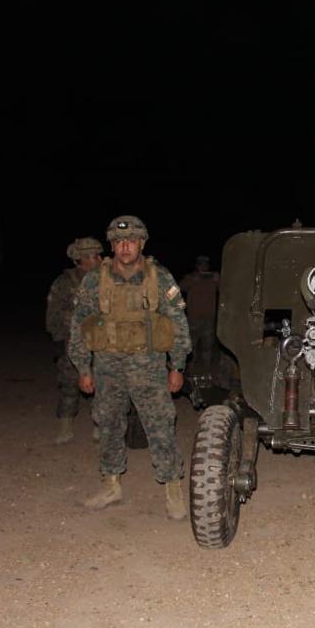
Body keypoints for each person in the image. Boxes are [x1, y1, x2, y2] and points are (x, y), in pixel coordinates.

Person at [67, 215, 192, 520]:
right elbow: (80, 326)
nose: (125, 247)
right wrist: (84, 367)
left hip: (148, 364)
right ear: (111, 245)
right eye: (119, 241)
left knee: (160, 425)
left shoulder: (159, 277)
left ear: (142, 244)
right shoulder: (95, 279)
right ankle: (111, 484)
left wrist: (177, 366)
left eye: (132, 241)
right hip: (108, 365)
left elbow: (177, 324)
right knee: (108, 425)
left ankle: (172, 487)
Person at [45, 237, 103, 444]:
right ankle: (65, 427)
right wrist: (61, 338)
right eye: (95, 255)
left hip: (102, 341)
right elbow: (53, 314)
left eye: (99, 254)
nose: (100, 258)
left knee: (102, 384)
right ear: (82, 258)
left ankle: (99, 425)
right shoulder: (65, 282)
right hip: (73, 342)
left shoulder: (106, 279)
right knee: (69, 385)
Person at [179, 254, 220, 383]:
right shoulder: (191, 277)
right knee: (191, 347)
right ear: (197, 266)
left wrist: (218, 280)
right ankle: (189, 372)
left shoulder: (213, 278)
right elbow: (179, 288)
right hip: (193, 320)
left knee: (207, 347)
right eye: (201, 264)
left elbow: (226, 290)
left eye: (205, 264)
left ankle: (206, 372)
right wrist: (192, 280)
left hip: (209, 319)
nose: (203, 266)